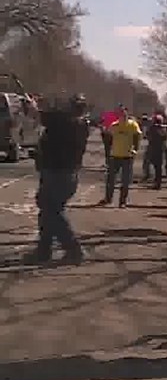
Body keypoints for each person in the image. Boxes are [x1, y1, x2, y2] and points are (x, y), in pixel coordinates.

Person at [25, 94, 89, 264]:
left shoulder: (70, 123)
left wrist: (33, 106)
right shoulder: (75, 123)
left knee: (51, 212)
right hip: (59, 173)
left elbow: (40, 116)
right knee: (47, 212)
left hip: (59, 174)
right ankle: (44, 251)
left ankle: (73, 249)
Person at [99, 108, 142, 207]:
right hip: (115, 155)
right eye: (121, 115)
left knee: (125, 180)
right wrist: (108, 151)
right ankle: (108, 198)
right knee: (111, 179)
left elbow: (137, 137)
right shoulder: (114, 126)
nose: (123, 116)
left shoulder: (133, 125)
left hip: (127, 156)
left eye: (125, 114)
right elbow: (108, 138)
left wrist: (135, 149)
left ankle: (122, 201)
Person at [143, 112, 167, 190]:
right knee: (156, 167)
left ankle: (157, 183)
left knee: (156, 167)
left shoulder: (157, 128)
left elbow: (148, 135)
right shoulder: (158, 128)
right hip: (157, 149)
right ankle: (156, 181)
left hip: (155, 149)